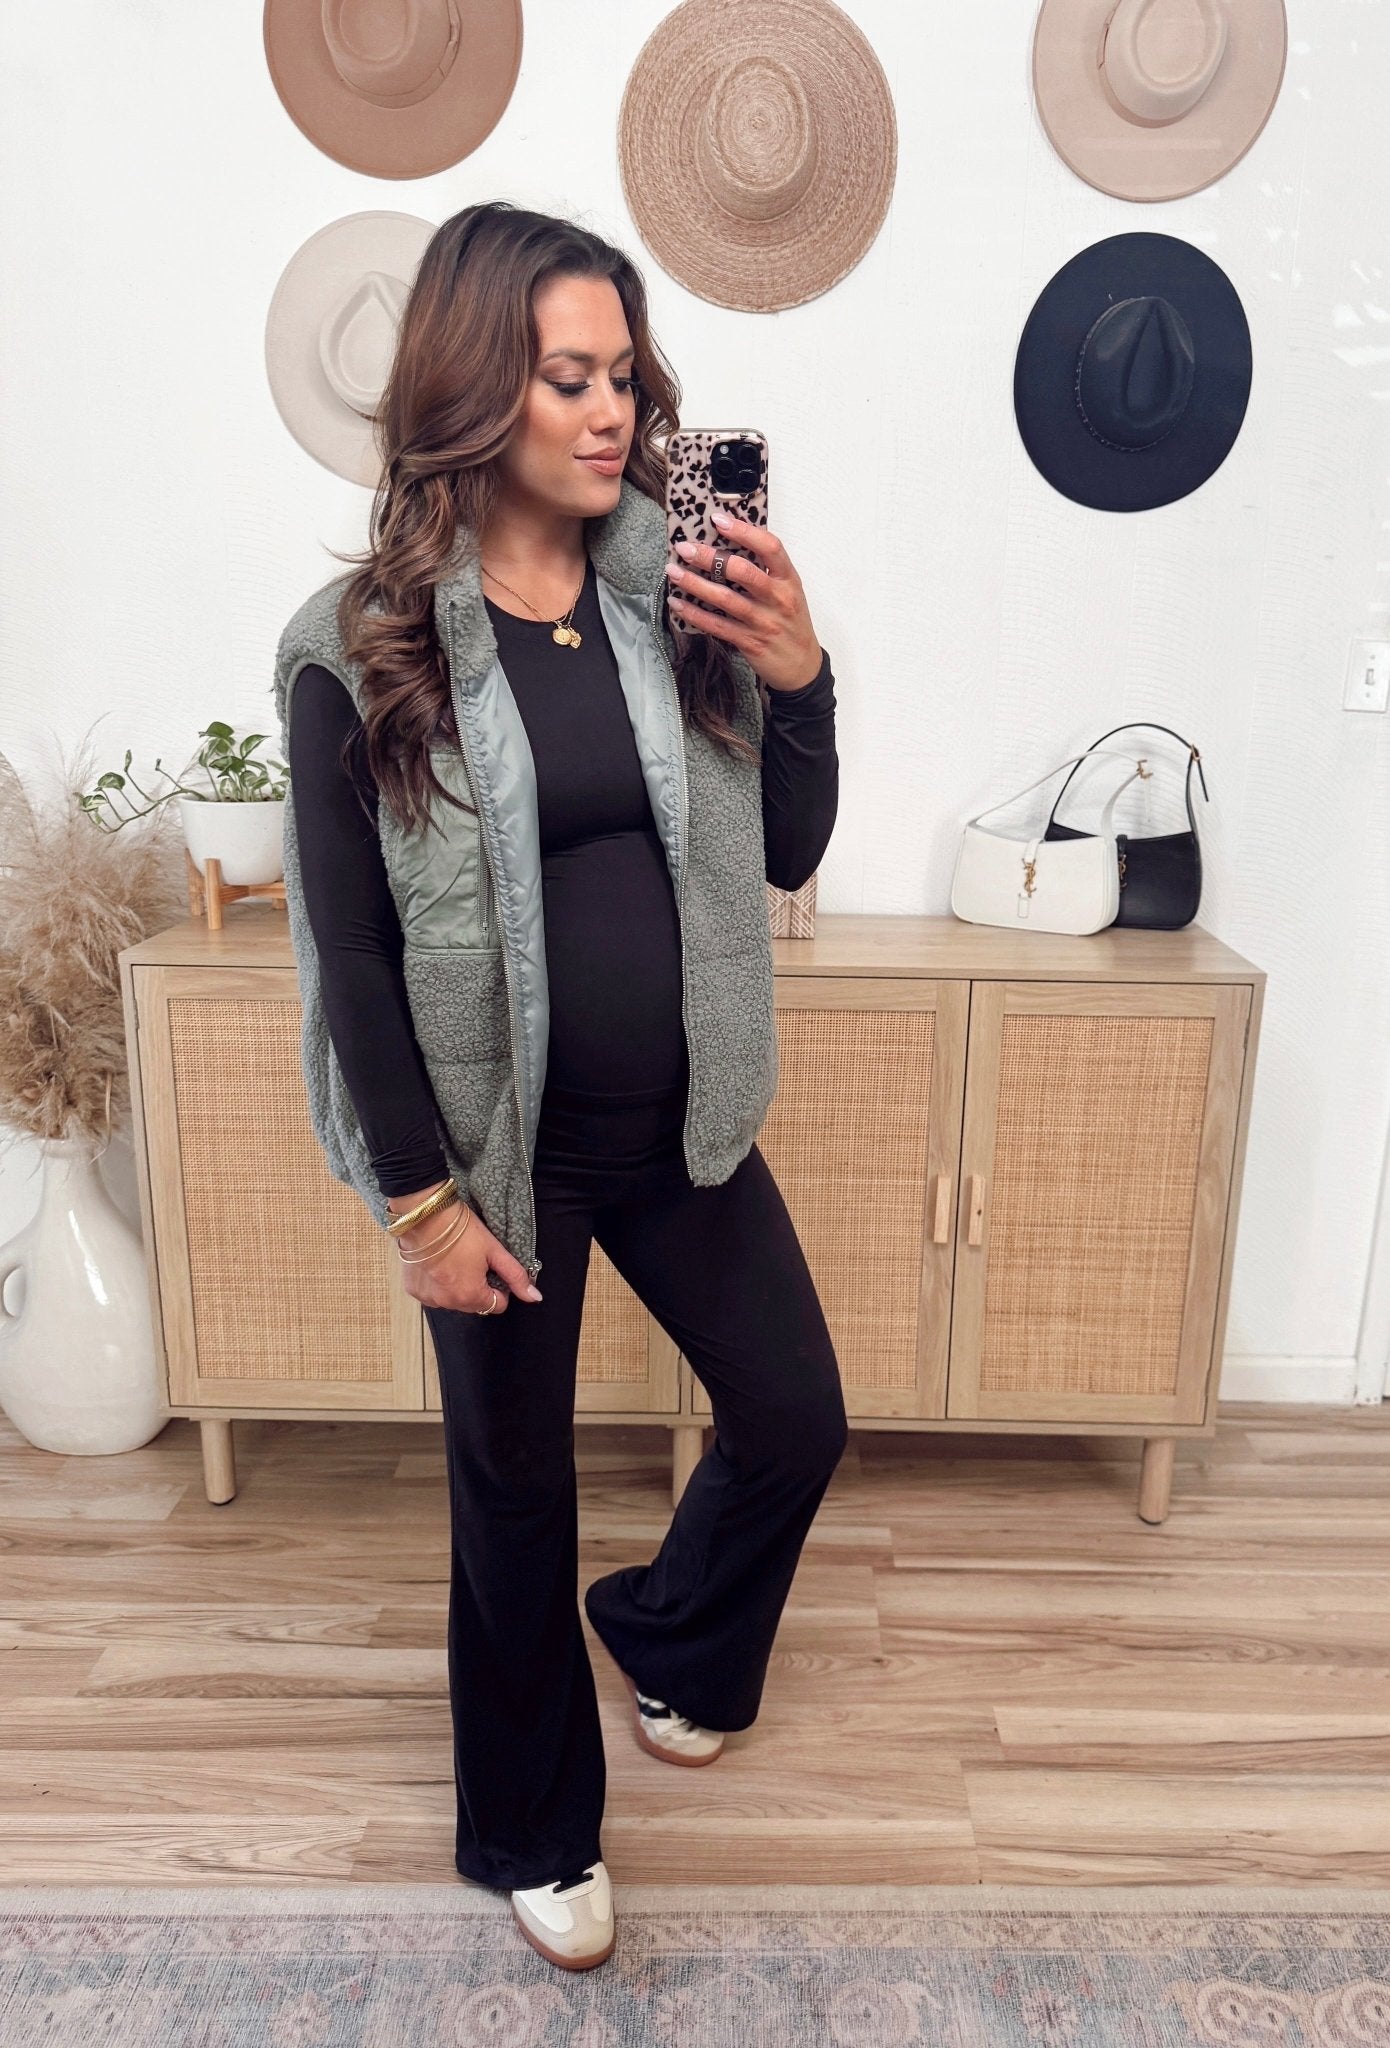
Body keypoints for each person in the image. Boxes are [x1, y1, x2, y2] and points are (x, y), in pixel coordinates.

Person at [281, 201, 847, 1972]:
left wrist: (800, 672)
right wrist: (419, 1203)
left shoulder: (675, 594)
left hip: (681, 1125)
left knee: (794, 1416)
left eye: (624, 376)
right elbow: (350, 952)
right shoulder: (360, 644)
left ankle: (670, 1634)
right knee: (513, 1496)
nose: (612, 413)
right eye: (568, 378)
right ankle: (534, 1830)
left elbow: (787, 846)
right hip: (496, 1157)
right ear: (474, 389)